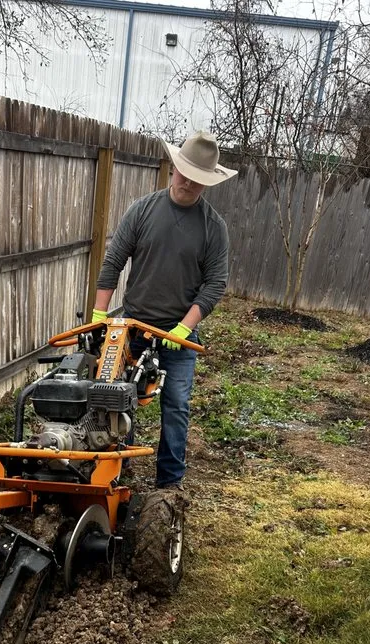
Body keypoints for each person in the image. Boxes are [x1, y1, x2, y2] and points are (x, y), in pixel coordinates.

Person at [91, 131, 237, 490]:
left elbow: (215, 284)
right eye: (183, 172)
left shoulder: (213, 228)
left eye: (197, 179)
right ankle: (112, 473)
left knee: (175, 407)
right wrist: (99, 314)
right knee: (114, 397)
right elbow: (114, 261)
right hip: (132, 325)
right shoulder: (142, 210)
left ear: (207, 182)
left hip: (177, 335)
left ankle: (169, 485)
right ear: (173, 167)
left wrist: (184, 328)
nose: (187, 182)